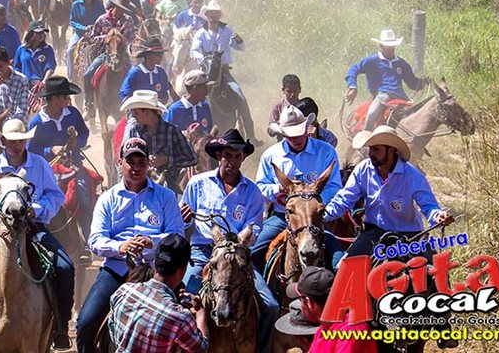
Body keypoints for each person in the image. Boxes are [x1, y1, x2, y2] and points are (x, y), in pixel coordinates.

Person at [0, 119, 75, 349]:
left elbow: (55, 196)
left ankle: (61, 327)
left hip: (34, 228)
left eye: (21, 140)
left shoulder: (40, 165)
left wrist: (37, 210)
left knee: (65, 267)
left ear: (26, 140)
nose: (16, 145)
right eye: (12, 141)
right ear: (3, 141)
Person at [77, 138, 185, 353]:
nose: (136, 167)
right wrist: (121, 247)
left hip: (159, 272)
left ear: (148, 164)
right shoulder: (107, 199)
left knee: (191, 315)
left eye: (141, 162)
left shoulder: (166, 196)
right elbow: (95, 240)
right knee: (85, 323)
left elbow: (177, 235)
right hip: (117, 269)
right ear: (120, 163)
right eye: (131, 162)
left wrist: (152, 242)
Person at [179, 130, 279, 353]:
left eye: (237, 156)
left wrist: (235, 242)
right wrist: (184, 221)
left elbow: (254, 230)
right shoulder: (197, 184)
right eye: (227, 156)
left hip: (238, 258)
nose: (232, 161)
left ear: (243, 158)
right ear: (218, 156)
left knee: (271, 306)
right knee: (183, 299)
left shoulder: (252, 192)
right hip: (203, 253)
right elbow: (183, 225)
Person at [325, 126, 453, 262]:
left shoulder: (412, 176)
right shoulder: (363, 170)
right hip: (373, 233)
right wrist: (323, 215)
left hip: (410, 236)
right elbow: (344, 199)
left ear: (391, 150)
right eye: (370, 149)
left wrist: (438, 216)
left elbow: (429, 206)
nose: (370, 154)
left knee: (433, 273)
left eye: (376, 149)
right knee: (345, 268)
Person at [252, 106, 342, 271]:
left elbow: (335, 186)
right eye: (291, 136)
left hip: (316, 219)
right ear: (283, 134)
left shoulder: (326, 152)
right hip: (282, 216)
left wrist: (313, 201)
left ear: (307, 129)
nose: (296, 139)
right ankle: (261, 295)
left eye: (299, 133)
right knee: (253, 254)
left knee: (339, 260)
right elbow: (260, 188)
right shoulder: (271, 155)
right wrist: (278, 188)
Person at [109, 234, 209, 353]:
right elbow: (201, 348)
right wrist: (200, 312)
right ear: (182, 271)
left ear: (155, 262)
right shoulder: (180, 318)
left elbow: (113, 331)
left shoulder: (123, 291)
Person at [27, 76, 94, 236]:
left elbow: (84, 133)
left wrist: (75, 143)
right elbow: (31, 150)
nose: (68, 99)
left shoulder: (73, 114)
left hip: (73, 164)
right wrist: (50, 150)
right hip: (46, 169)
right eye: (65, 96)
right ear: (54, 98)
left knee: (84, 197)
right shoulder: (37, 122)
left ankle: (87, 238)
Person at [190, 0, 257, 141]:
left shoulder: (227, 31)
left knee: (239, 95)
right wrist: (205, 60)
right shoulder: (200, 33)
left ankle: (251, 136)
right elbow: (194, 51)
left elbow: (241, 47)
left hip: (224, 72)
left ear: (219, 15)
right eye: (211, 13)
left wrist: (239, 41)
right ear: (206, 14)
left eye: (216, 13)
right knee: (190, 92)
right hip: (206, 72)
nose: (213, 16)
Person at [274, 267, 376, 353]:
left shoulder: (350, 333)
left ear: (308, 303)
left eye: (300, 300)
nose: (300, 306)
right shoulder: (323, 329)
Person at [345, 28, 429, 131]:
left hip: (402, 98)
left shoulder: (401, 63)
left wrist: (422, 82)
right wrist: (353, 87)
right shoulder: (372, 60)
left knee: (416, 118)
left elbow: (412, 83)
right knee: (371, 115)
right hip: (382, 96)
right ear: (381, 46)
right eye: (387, 46)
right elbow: (354, 69)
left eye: (392, 46)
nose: (390, 49)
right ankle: (366, 141)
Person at [120, 90, 197, 195]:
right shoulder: (133, 130)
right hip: (138, 185)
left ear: (147, 113)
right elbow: (123, 158)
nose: (134, 116)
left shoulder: (172, 131)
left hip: (168, 186)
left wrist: (167, 160)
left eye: (136, 113)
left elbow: (192, 158)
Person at [81, 0, 137, 117]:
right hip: (105, 53)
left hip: (122, 54)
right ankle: (89, 104)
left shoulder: (128, 20)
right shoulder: (102, 19)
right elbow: (93, 36)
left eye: (124, 9)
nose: (122, 11)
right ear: (115, 6)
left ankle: (133, 106)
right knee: (87, 74)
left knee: (135, 74)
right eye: (121, 8)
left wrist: (121, 40)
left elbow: (132, 38)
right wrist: (107, 38)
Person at [119, 37, 177, 104]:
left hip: (157, 112)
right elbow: (124, 94)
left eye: (161, 54)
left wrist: (161, 101)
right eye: (157, 54)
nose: (161, 56)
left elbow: (165, 95)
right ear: (148, 55)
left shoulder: (161, 72)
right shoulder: (135, 73)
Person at [67, 0, 106, 79]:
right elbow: (72, 22)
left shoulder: (99, 4)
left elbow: (103, 17)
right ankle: (71, 77)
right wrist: (84, 28)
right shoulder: (76, 5)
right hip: (80, 34)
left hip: (97, 33)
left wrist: (96, 27)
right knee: (70, 50)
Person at [163, 69, 214, 133]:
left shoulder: (205, 107)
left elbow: (210, 131)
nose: (207, 92)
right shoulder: (174, 110)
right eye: (204, 88)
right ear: (195, 89)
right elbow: (166, 133)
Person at [14, 20, 57, 88]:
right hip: (24, 85)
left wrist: (44, 81)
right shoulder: (21, 49)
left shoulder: (47, 49)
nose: (41, 35)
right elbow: (17, 69)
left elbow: (50, 67)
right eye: (38, 33)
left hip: (41, 85)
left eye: (42, 32)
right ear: (31, 34)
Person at [268, 74, 302, 140]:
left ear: (300, 90)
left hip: (301, 143)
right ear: (283, 90)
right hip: (283, 144)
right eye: (288, 91)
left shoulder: (305, 106)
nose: (292, 94)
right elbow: (270, 131)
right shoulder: (278, 107)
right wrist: (278, 127)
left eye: (295, 90)